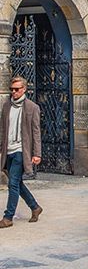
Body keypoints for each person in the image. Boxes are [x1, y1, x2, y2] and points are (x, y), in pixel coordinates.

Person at [1, 76, 44, 228]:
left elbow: (36, 132)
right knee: (17, 182)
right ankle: (35, 207)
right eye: (12, 89)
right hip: (8, 150)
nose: (14, 92)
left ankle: (8, 217)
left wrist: (37, 153)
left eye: (17, 89)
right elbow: (3, 130)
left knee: (12, 183)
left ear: (24, 89)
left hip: (21, 150)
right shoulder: (6, 106)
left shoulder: (32, 108)